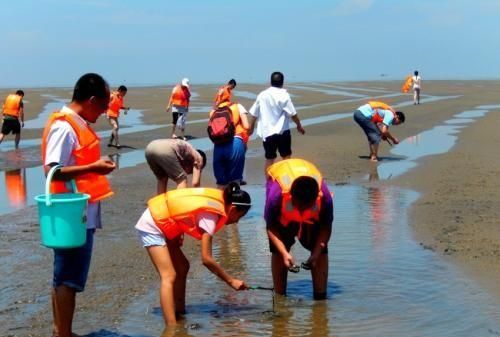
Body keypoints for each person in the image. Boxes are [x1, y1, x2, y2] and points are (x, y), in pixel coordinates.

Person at [41, 73, 116, 337]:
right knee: (68, 279)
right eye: (104, 105)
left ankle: (61, 331)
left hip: (77, 212)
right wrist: (94, 167)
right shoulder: (65, 126)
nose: (106, 111)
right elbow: (52, 169)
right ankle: (64, 333)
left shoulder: (76, 123)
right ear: (92, 100)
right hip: (71, 214)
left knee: (63, 276)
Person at [135, 182, 252, 326]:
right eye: (239, 217)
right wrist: (231, 281)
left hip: (165, 224)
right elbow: (206, 259)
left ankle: (180, 312)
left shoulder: (217, 205)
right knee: (169, 275)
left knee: (183, 266)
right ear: (233, 209)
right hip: (152, 224)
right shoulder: (211, 216)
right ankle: (172, 328)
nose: (237, 222)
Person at [265, 158, 333, 300]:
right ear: (291, 196)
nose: (302, 211)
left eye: (307, 206)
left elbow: (326, 228)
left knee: (320, 251)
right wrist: (284, 253)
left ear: (316, 198)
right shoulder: (276, 195)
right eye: (299, 206)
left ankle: (320, 298)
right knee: (278, 250)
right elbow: (271, 227)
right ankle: (280, 297)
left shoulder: (325, 197)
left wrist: (316, 253)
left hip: (311, 218)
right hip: (282, 214)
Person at [248, 71, 305, 174]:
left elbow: (254, 113)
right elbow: (293, 113)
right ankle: (288, 182)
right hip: (283, 132)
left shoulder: (262, 95)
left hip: (267, 132)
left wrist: (251, 128)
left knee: (270, 159)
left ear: (271, 82)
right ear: (282, 83)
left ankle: (269, 184)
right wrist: (299, 126)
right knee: (286, 158)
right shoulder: (284, 95)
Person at [210, 100, 250, 188]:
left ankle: (221, 199)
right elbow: (246, 126)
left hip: (218, 145)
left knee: (220, 184)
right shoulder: (238, 106)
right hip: (235, 142)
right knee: (235, 183)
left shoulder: (214, 111)